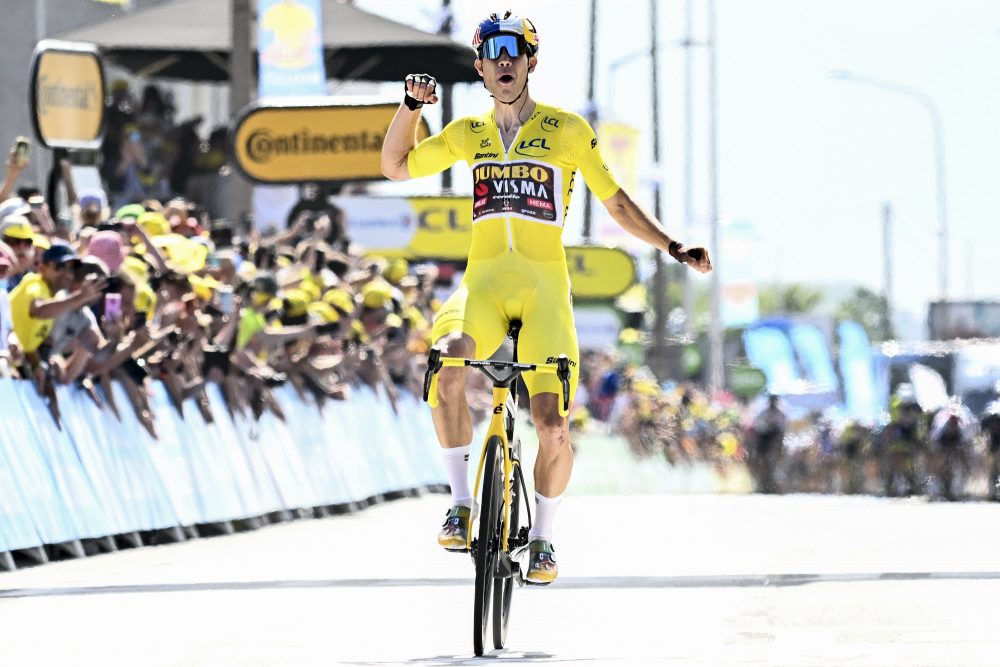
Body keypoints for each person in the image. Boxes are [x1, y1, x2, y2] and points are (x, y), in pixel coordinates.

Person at [381, 11, 711, 585]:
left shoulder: (567, 131)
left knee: (553, 424)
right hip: (482, 286)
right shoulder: (468, 134)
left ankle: (544, 539)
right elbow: (396, 166)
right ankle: (460, 503)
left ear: (531, 61)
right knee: (448, 360)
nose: (504, 60)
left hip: (545, 295)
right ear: (480, 67)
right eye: (493, 52)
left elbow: (618, 204)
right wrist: (410, 110)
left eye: (516, 50)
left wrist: (672, 245)